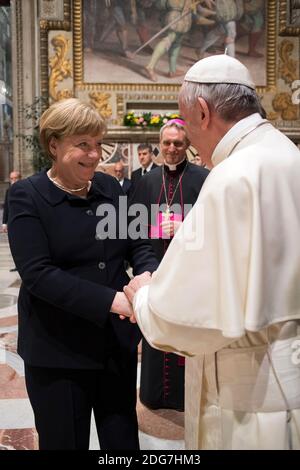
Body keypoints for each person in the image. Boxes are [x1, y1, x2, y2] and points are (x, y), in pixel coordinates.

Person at [124, 55, 300, 449]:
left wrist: (145, 297)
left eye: (185, 125)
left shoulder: (232, 176)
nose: (186, 142)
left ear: (202, 112)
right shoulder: (290, 156)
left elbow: (187, 318)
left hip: (251, 404)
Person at [7, 98, 158, 450]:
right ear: (54, 145)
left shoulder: (111, 189)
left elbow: (140, 245)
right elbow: (38, 274)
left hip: (113, 347)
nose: (94, 155)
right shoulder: (27, 196)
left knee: (122, 443)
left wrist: (147, 277)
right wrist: (114, 300)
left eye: (98, 145)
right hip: (57, 349)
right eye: (82, 145)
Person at [131, 119, 209, 411]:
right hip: (155, 272)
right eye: (167, 143)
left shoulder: (203, 178)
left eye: (178, 143)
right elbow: (133, 227)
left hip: (189, 275)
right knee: (155, 331)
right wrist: (155, 231)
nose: (172, 148)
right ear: (159, 144)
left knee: (184, 333)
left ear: (187, 145)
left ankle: (182, 396)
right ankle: (153, 393)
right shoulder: (146, 181)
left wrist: (185, 228)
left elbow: (216, 225)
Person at [2, 170, 22, 272]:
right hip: (12, 222)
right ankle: (17, 265)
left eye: (16, 178)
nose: (13, 180)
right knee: (14, 245)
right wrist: (4, 223)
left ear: (20, 179)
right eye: (12, 178)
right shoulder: (8, 191)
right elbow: (6, 207)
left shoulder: (25, 190)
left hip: (23, 222)